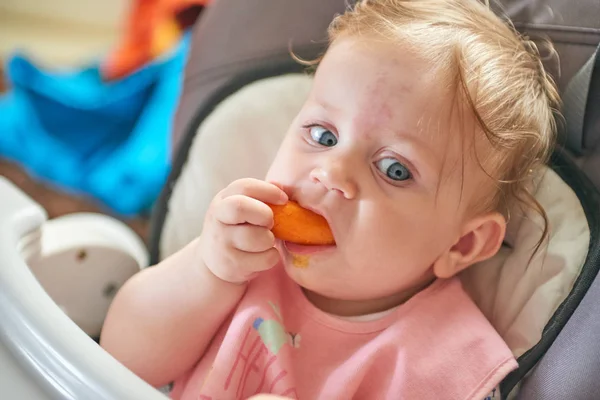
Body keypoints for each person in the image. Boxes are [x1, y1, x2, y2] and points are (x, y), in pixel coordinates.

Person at [100, 0, 560, 398]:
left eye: (394, 169)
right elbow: (120, 357)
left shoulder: (451, 362)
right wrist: (205, 270)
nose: (333, 173)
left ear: (462, 245)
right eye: (323, 135)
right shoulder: (240, 260)